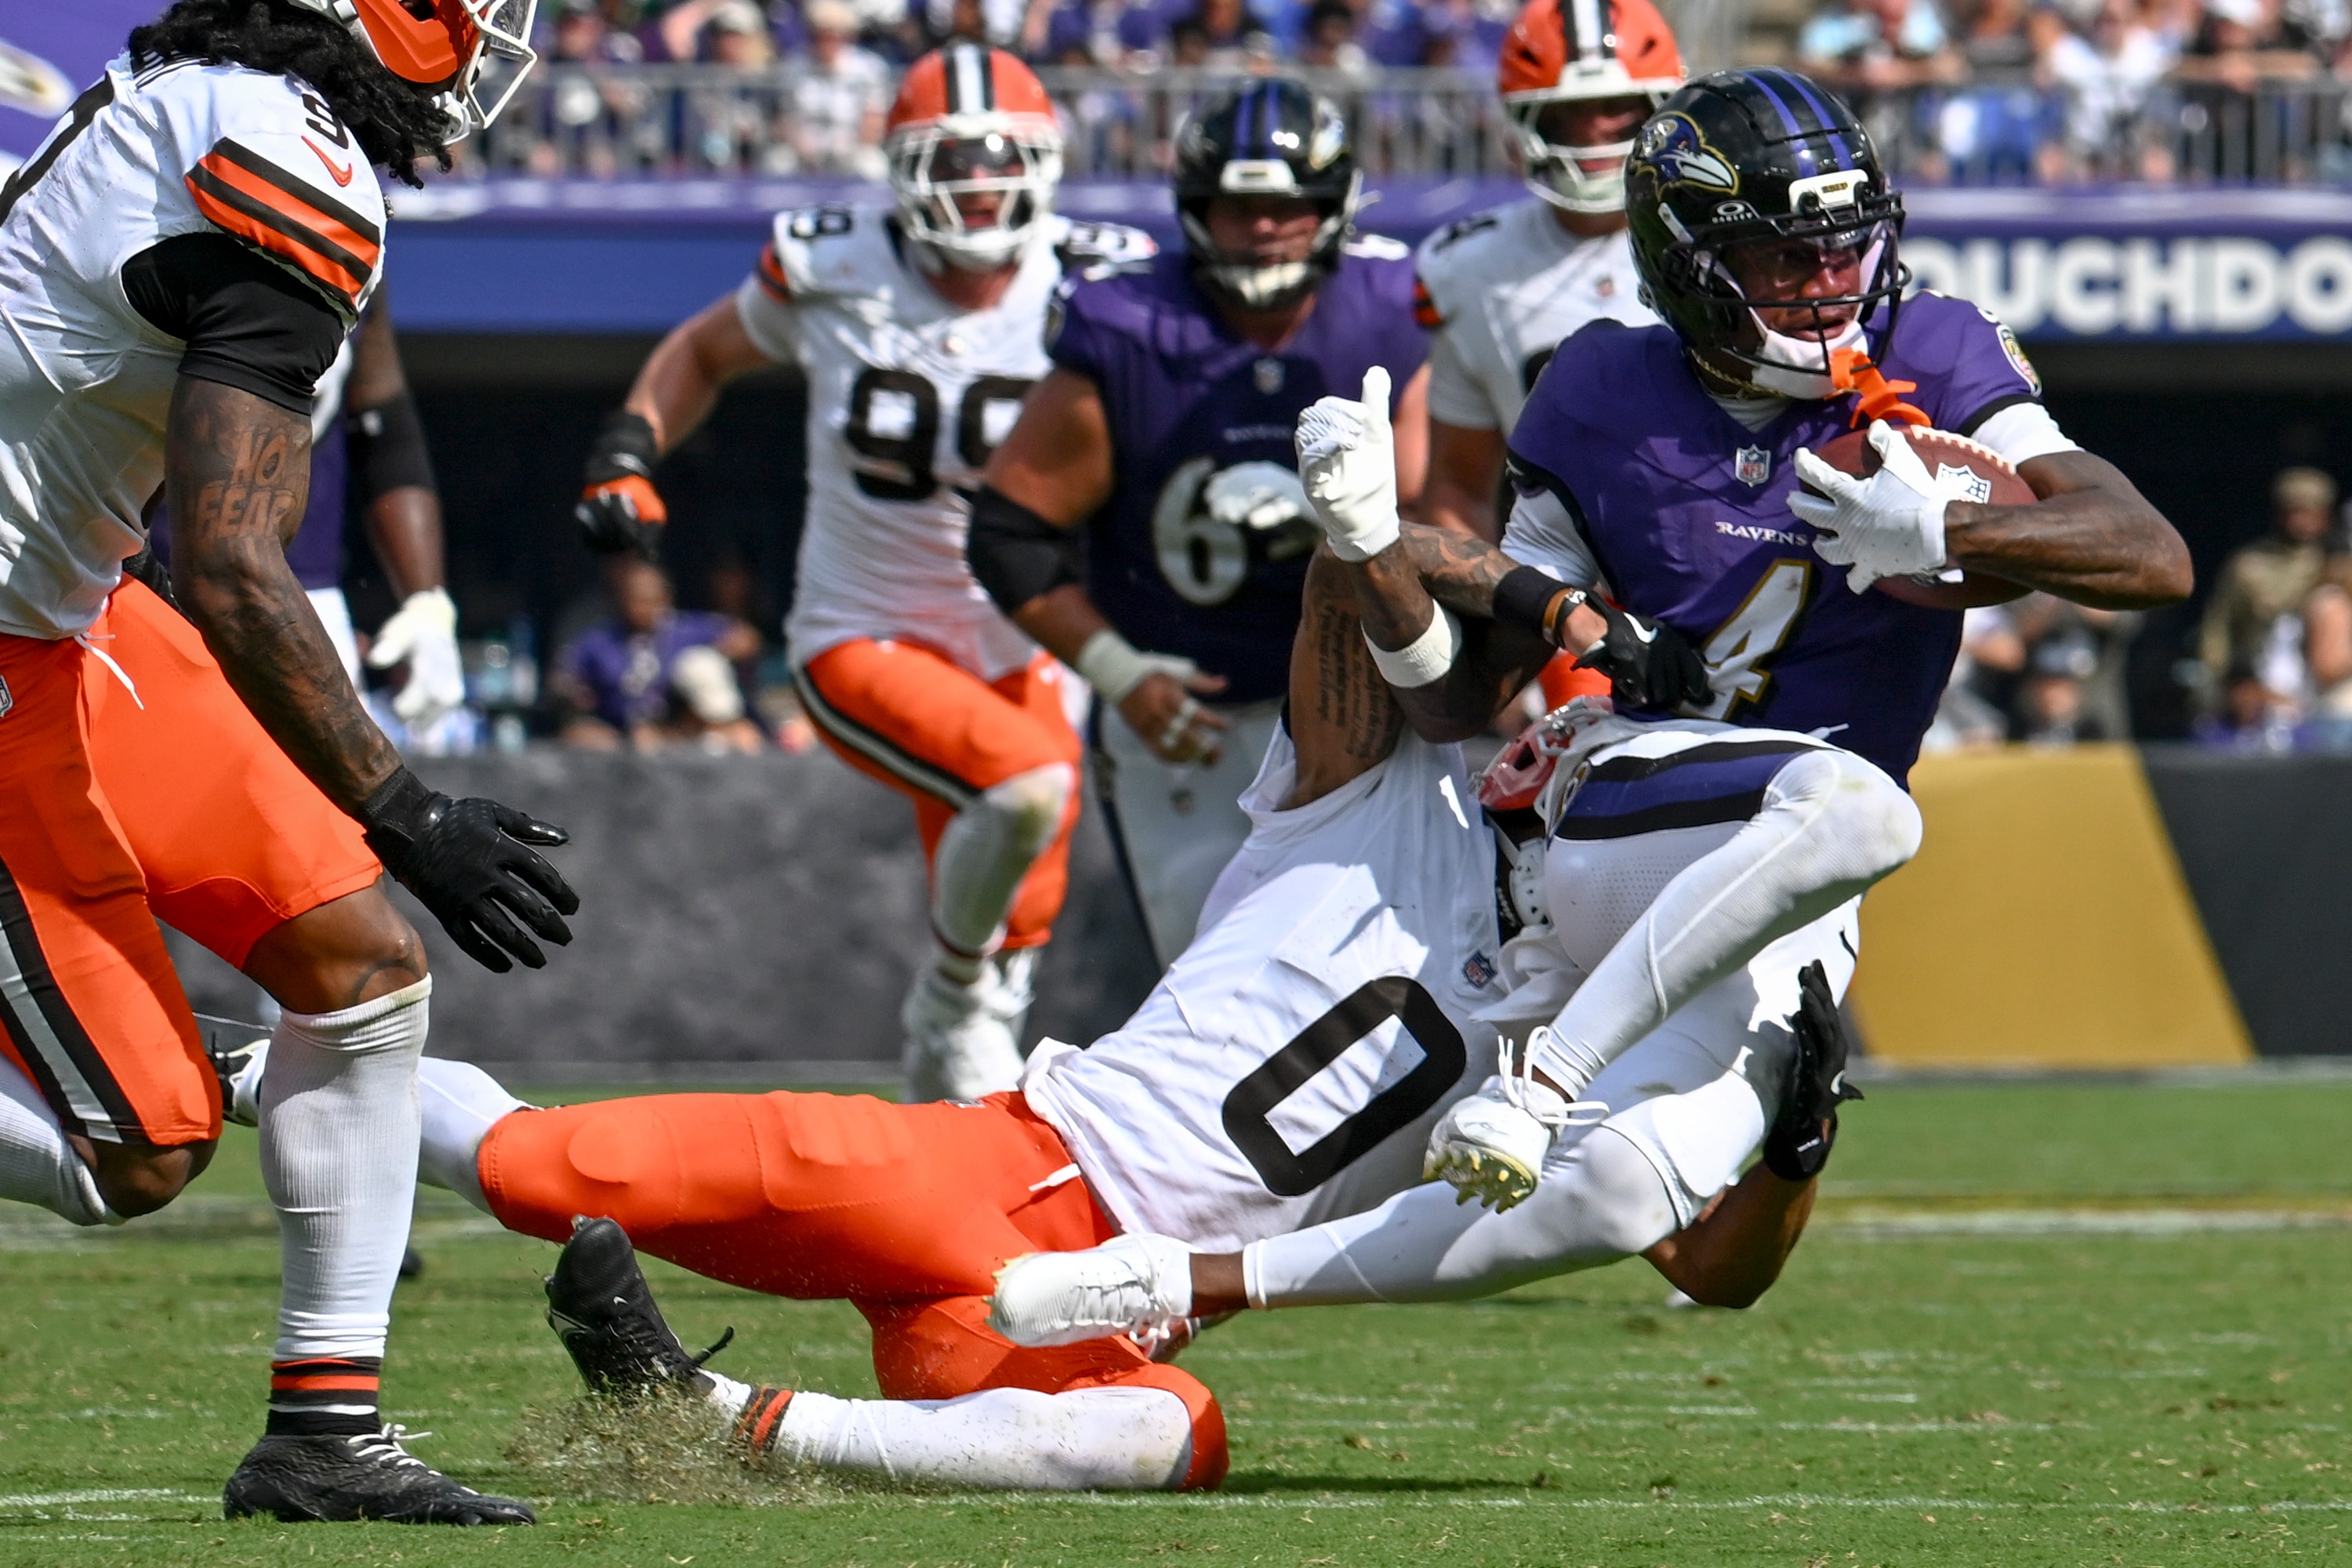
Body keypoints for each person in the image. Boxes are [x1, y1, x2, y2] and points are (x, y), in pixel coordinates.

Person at [255, 506, 1867, 1495]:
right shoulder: (1365, 790)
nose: (1548, 755)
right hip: (999, 1166)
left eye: (1582, 750)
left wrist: (1789, 1145)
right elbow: (1347, 567)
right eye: (1549, 723)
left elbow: (1696, 1263)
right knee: (545, 1171)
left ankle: (732, 1420)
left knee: (1173, 1439)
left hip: (1090, 1307)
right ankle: (253, 1069)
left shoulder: (1605, 1000)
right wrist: (1557, 611)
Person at [989, 66, 2194, 1334]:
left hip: (1794, 874)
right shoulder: (1600, 394)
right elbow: (1464, 704)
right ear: (1688, 262)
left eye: (1847, 250)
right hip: (1620, 809)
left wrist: (1955, 518)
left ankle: (1171, 1286)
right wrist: (1373, 551)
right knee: (1863, 809)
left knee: (1626, 1197)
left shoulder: (1931, 353)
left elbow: (2149, 553)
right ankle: (1541, 1081)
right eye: (1787, 259)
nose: (1832, 285)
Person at [0, 0, 573, 1527]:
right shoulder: (284, 157)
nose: (483, 48)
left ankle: (325, 1432)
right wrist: (407, 805)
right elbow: (241, 564)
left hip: (73, 609)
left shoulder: (205, 92)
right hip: (13, 626)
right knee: (137, 1142)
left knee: (361, 963)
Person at [572, 43, 1157, 1100]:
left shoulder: (1096, 280)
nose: (979, 187)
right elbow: (702, 352)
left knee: (1026, 881)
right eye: (953, 162)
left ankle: (954, 1089)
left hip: (1026, 636)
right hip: (864, 634)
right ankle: (947, 1006)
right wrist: (629, 446)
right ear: (900, 169)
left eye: (1001, 161)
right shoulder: (834, 264)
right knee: (1028, 787)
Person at [968, 78, 1431, 967]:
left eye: (1288, 207)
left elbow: (1442, 511)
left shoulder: (1391, 308)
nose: (1263, 229)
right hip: (1189, 713)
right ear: (1192, 209)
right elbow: (1009, 532)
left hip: (1361, 698)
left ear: (1332, 209)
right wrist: (1119, 672)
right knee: (1205, 979)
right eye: (1237, 207)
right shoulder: (1130, 322)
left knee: (1382, 971)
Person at [151, 297, 470, 751]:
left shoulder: (360, 251)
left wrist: (427, 604)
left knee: (322, 812)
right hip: (141, 589)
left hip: (301, 599)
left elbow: (383, 425)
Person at [554, 557, 764, 751]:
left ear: (665, 599)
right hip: (619, 733)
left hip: (676, 728)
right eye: (636, 600)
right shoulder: (601, 641)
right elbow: (565, 675)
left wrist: (716, 654)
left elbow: (747, 637)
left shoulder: (684, 630)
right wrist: (574, 691)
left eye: (651, 600)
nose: (644, 608)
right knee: (577, 736)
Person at [2198, 466, 2337, 713]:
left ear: (2325, 516)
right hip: (2262, 688)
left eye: (2309, 512)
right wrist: (2226, 684)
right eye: (2293, 512)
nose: (2300, 522)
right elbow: (2218, 630)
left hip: (2327, 692)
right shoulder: (2249, 565)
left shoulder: (2339, 565)